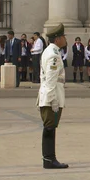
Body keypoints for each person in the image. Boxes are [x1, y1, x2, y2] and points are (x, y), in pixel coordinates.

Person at [36, 23, 68, 169]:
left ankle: (49, 158)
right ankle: (49, 159)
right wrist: (53, 100)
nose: (65, 39)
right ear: (57, 39)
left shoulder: (51, 52)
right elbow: (50, 80)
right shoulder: (53, 55)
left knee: (50, 127)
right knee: (50, 127)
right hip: (51, 96)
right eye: (63, 37)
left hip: (49, 95)